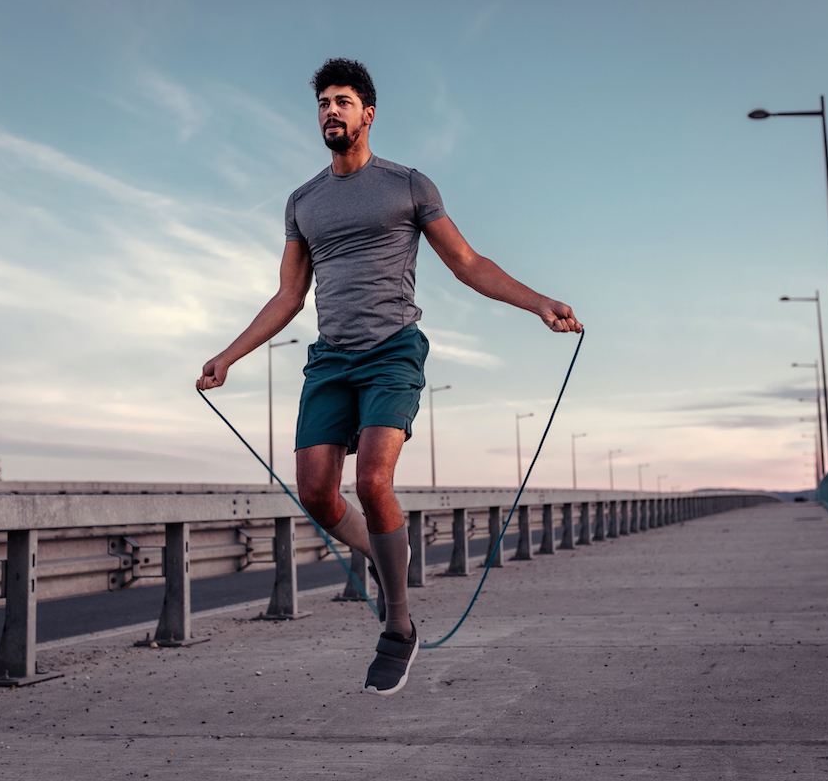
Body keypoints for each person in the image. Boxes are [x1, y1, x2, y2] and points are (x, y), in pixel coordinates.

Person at [197, 58, 581, 696]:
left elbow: (467, 262)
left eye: (343, 102)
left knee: (373, 479)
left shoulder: (407, 185)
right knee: (317, 494)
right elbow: (289, 296)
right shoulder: (303, 202)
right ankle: (386, 555)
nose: (331, 112)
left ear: (368, 113)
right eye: (323, 103)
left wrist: (538, 302)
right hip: (330, 358)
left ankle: (399, 626)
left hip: (392, 351)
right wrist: (229, 356)